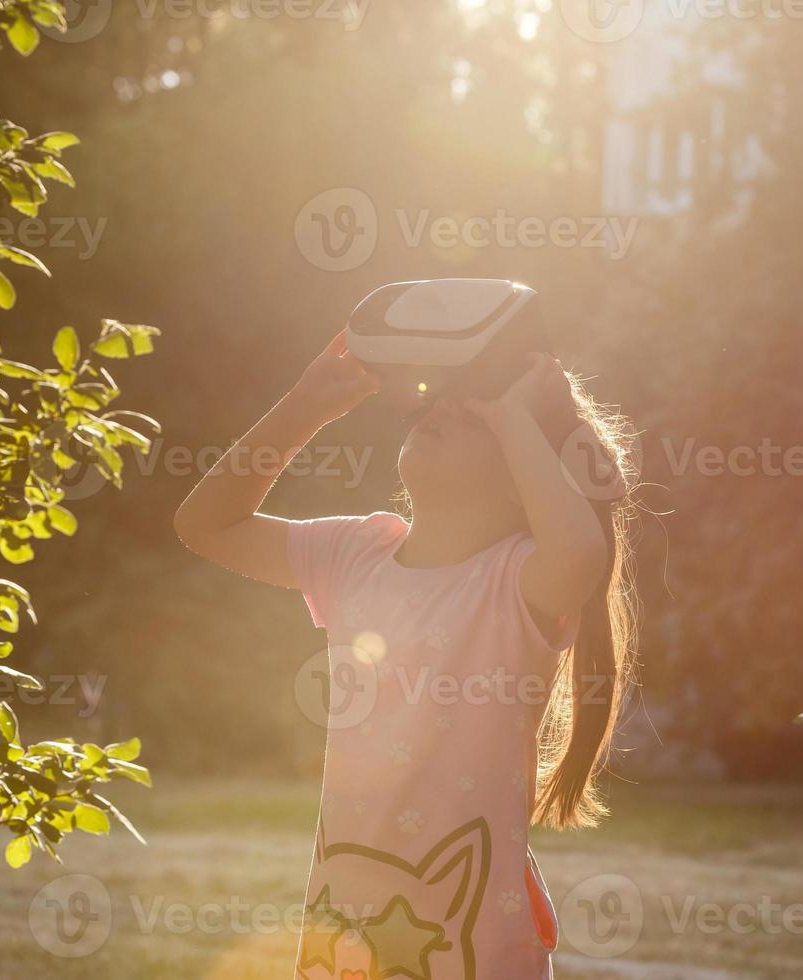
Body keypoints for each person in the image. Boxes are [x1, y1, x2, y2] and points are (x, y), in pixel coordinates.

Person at [174, 328, 639, 979]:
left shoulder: (518, 584)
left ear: (528, 481)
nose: (445, 407)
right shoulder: (356, 553)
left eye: (480, 414)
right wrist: (304, 406)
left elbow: (582, 552)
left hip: (472, 944)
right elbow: (205, 525)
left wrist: (512, 414)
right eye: (450, 399)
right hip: (343, 940)